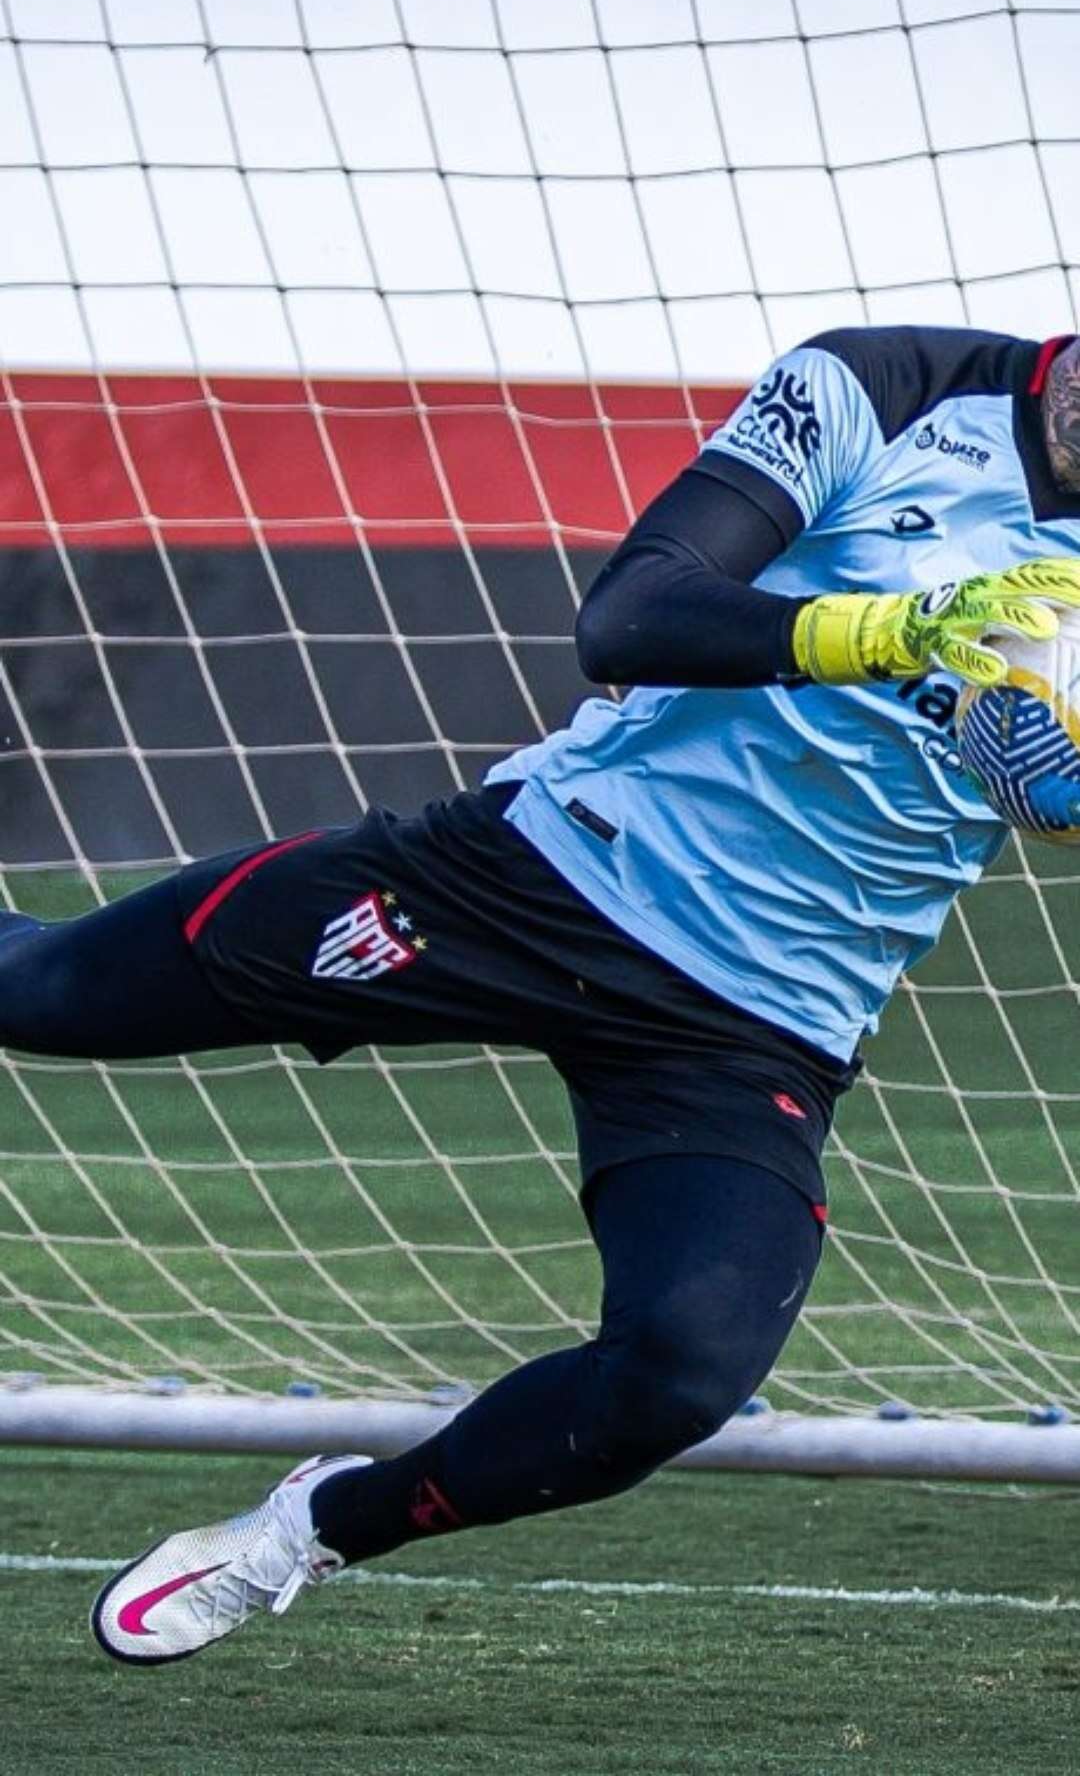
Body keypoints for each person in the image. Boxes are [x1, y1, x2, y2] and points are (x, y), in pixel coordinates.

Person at [6, 323, 1074, 1667]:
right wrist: (892, 630)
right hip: (530, 881)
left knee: (677, 1372)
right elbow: (631, 613)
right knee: (37, 989)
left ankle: (307, 1530)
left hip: (760, 1018)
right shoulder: (888, 389)